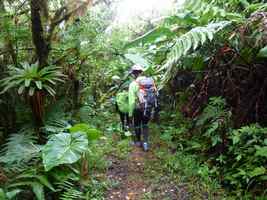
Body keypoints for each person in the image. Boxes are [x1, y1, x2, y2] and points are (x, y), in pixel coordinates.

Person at [128, 64, 158, 151]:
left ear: (134, 74)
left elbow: (131, 102)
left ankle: (138, 142)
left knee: (137, 124)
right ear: (141, 72)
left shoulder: (133, 84)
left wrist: (130, 114)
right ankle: (145, 143)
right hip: (148, 107)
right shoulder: (151, 82)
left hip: (138, 108)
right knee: (145, 124)